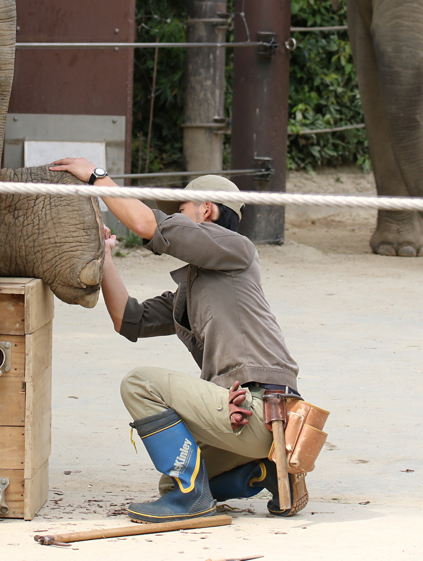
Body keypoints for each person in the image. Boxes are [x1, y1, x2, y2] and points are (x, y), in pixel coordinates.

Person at [48, 158, 306, 523]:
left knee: (139, 385)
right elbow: (128, 319)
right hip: (247, 418)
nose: (177, 218)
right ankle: (264, 472)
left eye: (182, 210)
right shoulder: (193, 289)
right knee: (174, 483)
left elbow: (146, 224)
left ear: (206, 209)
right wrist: (105, 255)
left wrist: (96, 177)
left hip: (263, 407)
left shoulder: (237, 249)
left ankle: (195, 501)